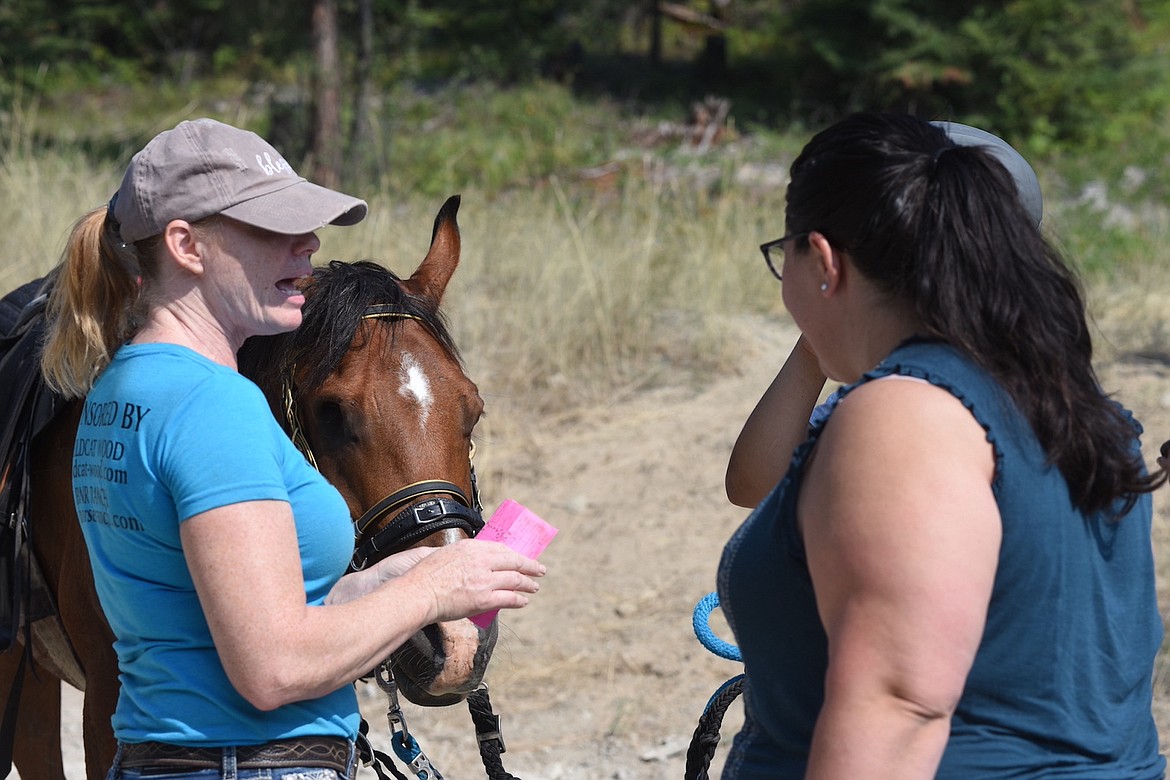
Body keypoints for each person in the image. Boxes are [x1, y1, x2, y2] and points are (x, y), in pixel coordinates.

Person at [38, 118, 544, 780]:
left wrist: (381, 582)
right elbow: (272, 668)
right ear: (186, 245)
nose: (307, 246)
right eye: (272, 228)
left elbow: (209, 620)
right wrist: (432, 591)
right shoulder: (216, 406)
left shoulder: (124, 386)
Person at [715, 112, 1166, 778]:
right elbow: (757, 482)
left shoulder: (907, 419)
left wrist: (828, 302)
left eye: (787, 258)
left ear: (824, 260)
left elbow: (899, 706)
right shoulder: (1066, 406)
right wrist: (829, 319)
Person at [725, 120, 1046, 509]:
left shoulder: (895, 423)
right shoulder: (1046, 392)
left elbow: (759, 490)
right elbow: (753, 483)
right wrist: (818, 340)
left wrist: (826, 312)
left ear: (826, 264)